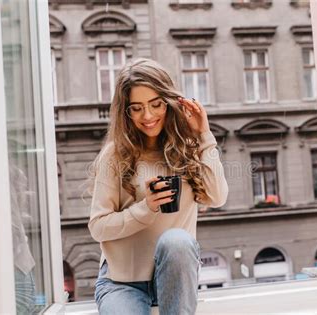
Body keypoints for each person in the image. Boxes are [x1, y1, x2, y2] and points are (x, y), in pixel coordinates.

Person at [88, 58, 228, 315]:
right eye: (137, 108)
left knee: (177, 241)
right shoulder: (114, 156)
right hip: (122, 283)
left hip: (174, 280)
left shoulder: (188, 147)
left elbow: (217, 197)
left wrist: (204, 136)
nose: (148, 116)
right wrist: (146, 207)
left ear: (169, 102)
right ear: (126, 112)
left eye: (156, 104)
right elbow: (98, 227)